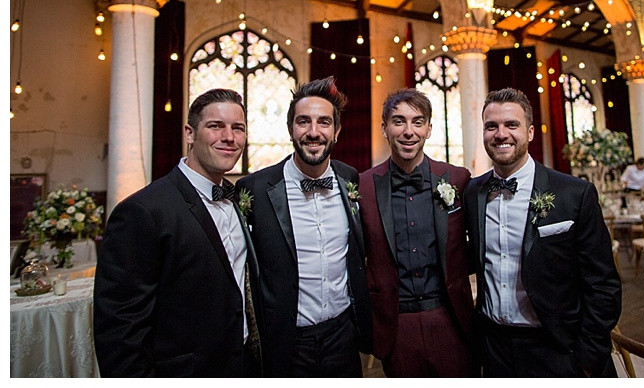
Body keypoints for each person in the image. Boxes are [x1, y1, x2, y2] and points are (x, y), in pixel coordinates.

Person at [93, 88, 262, 377]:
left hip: (242, 366)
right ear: (189, 133)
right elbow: (121, 328)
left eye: (238, 128)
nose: (229, 137)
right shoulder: (142, 211)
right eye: (215, 126)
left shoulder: (236, 201)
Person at [463, 88, 621, 377]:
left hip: (557, 348)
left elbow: (603, 284)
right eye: (491, 126)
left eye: (512, 125)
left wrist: (587, 357)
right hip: (494, 347)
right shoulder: (473, 192)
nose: (501, 134)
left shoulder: (575, 193)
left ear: (530, 132)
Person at [236, 76, 372, 377]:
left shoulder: (351, 179)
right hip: (285, 341)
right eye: (303, 122)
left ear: (336, 132)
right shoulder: (255, 190)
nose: (314, 132)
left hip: (342, 336)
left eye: (324, 123)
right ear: (290, 129)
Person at [358, 89, 475, 377]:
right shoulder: (363, 187)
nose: (409, 131)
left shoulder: (457, 179)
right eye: (399, 121)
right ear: (384, 128)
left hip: (450, 319)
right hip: (396, 326)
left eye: (417, 122)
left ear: (429, 129)